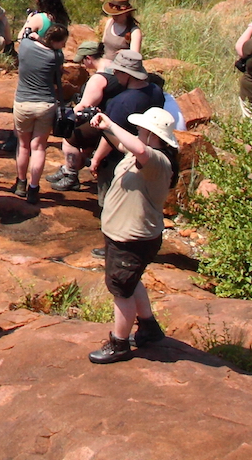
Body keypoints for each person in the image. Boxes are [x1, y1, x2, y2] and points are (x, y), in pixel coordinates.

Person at [83, 106, 179, 364]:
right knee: (130, 281)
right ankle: (148, 327)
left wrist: (112, 124)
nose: (137, 133)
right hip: (125, 235)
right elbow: (127, 147)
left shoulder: (158, 160)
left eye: (141, 130)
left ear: (151, 134)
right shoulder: (144, 155)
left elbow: (137, 149)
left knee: (121, 291)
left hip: (132, 238)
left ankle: (120, 343)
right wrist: (106, 129)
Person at [85, 49, 165, 204]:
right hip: (148, 153)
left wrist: (96, 159)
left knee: (111, 201)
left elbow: (109, 138)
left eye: (117, 71)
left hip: (119, 159)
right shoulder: (156, 90)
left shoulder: (122, 102)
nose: (114, 74)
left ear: (127, 74)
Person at [12, 14, 67, 201]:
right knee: (39, 148)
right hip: (45, 104)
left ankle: (20, 183)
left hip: (23, 103)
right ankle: (33, 188)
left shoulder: (26, 46)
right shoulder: (57, 56)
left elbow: (24, 35)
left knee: (23, 145)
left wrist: (29, 24)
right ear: (57, 41)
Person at [52, 42, 112, 193]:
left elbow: (85, 105)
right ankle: (67, 168)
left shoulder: (98, 79)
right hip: (112, 116)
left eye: (83, 60)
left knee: (70, 138)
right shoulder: (114, 66)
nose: (83, 65)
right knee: (86, 142)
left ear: (89, 58)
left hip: (103, 121)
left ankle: (71, 175)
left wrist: (68, 116)